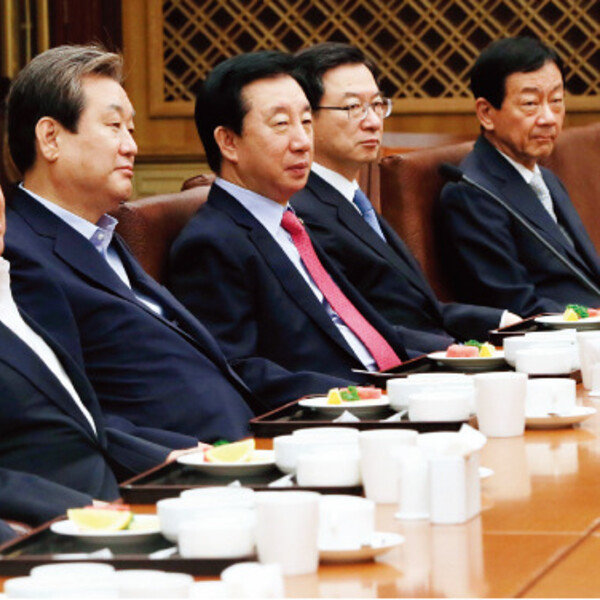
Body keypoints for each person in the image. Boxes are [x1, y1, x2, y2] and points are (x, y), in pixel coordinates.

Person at [4, 45, 331, 447]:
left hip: (254, 439)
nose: (131, 146)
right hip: (185, 466)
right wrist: (181, 459)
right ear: (50, 138)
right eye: (114, 126)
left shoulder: (102, 237)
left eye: (131, 129)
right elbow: (71, 413)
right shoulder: (19, 256)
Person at [168, 51, 410, 383]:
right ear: (229, 142)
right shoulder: (210, 243)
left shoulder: (292, 222)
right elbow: (238, 369)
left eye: (306, 122)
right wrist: (359, 396)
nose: (302, 142)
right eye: (281, 124)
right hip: (335, 404)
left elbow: (359, 329)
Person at [291, 43, 518, 352]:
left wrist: (503, 319)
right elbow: (355, 325)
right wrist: (446, 352)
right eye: (353, 107)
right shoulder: (303, 213)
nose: (373, 121)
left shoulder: (353, 199)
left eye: (377, 104)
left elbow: (419, 309)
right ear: (307, 118)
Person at [0, 185, 185, 526]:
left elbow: (82, 421)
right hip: (51, 531)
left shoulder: (25, 282)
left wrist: (172, 457)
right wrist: (78, 510)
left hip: (120, 505)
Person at [436, 36, 600, 316]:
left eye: (556, 101)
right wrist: (588, 317)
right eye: (530, 103)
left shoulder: (546, 178)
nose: (548, 118)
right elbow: (515, 305)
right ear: (486, 113)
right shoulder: (472, 192)